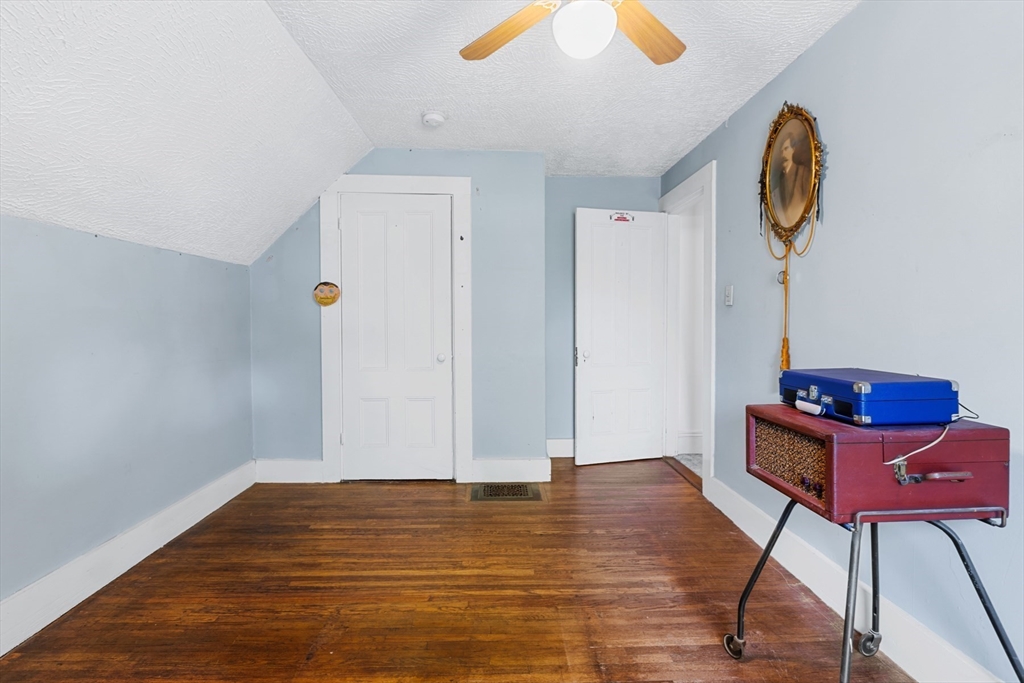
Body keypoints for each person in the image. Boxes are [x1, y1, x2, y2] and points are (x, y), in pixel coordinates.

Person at [771, 130, 810, 227]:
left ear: (793, 149)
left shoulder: (803, 172)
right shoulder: (778, 181)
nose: (783, 154)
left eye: (786, 148)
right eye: (781, 151)